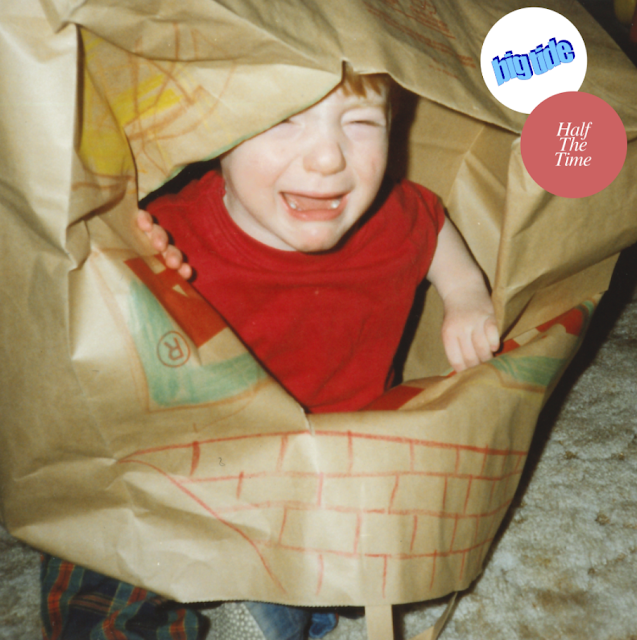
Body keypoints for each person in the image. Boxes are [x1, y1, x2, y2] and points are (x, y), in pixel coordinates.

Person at [42, 65, 499, 640]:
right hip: (193, 465)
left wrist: (465, 293)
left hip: (323, 478)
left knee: (372, 532)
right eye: (284, 120)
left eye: (361, 123)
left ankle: (272, 607)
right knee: (95, 534)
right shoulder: (172, 232)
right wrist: (142, 270)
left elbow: (431, 225)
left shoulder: (394, 218)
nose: (328, 158)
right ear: (217, 135)